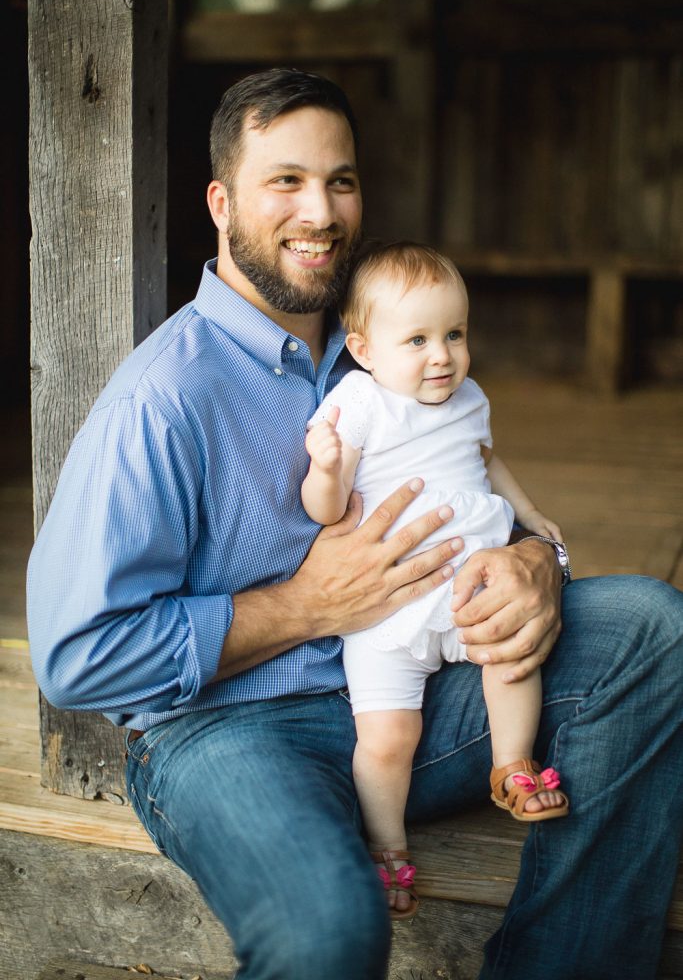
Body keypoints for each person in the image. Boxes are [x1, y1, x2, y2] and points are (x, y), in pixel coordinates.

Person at [27, 67, 682, 980]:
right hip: (230, 734)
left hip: (414, 685)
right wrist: (302, 606)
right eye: (285, 181)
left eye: (339, 180)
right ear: (221, 202)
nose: (321, 210)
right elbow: (77, 657)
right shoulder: (164, 398)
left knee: (652, 628)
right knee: (327, 933)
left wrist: (538, 558)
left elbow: (481, 478)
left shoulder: (380, 343)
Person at [301, 241, 569, 918]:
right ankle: (387, 845)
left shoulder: (468, 396)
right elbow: (325, 512)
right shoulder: (358, 402)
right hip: (387, 613)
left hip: (469, 589)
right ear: (362, 348)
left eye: (454, 334)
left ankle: (509, 763)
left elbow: (487, 459)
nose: (441, 356)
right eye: (416, 339)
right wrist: (326, 469)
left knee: (510, 658)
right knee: (388, 737)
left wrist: (528, 512)